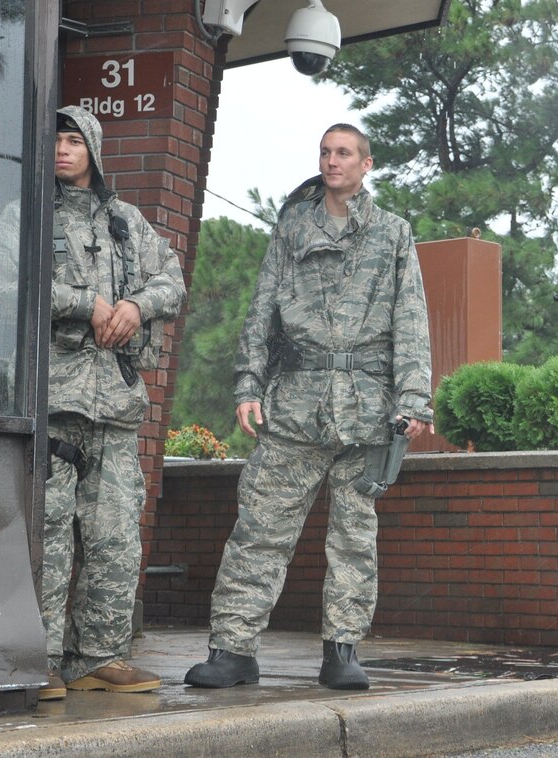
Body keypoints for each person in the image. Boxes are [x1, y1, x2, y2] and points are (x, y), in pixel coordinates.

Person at [184, 123, 433, 692]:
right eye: (324, 152)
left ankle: (341, 651)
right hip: (295, 404)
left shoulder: (393, 233)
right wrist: (248, 384)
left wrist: (415, 399)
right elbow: (263, 307)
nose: (331, 161)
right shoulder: (293, 227)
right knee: (260, 527)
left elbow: (411, 320)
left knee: (353, 535)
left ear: (366, 164)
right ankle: (232, 649)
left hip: (368, 410)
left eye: (343, 153)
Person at [0, 105, 186, 700]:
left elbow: (171, 280)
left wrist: (135, 306)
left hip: (116, 407)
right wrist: (82, 302)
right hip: (54, 405)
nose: (65, 151)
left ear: (94, 151)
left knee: (116, 537)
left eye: (75, 141)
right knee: (46, 536)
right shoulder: (25, 215)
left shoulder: (127, 222)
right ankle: (37, 659)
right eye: (56, 141)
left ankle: (98, 657)